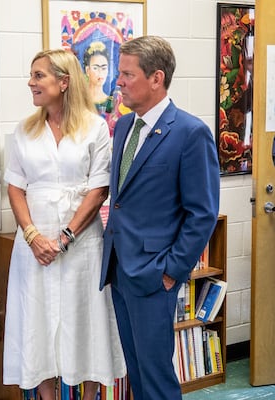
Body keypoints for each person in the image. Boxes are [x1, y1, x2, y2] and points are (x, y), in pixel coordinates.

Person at [100, 36, 220, 400]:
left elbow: (202, 213)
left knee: (156, 376)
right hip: (119, 267)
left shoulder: (189, 132)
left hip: (154, 274)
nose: (118, 82)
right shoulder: (123, 127)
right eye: (119, 73)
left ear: (156, 78)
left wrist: (172, 271)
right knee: (136, 369)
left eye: (127, 74)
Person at [3, 49, 126, 400]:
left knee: (85, 319)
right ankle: (47, 396)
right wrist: (32, 235)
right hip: (34, 244)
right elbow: (15, 187)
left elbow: (99, 188)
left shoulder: (95, 128)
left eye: (38, 75)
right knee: (37, 320)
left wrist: (66, 236)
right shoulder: (25, 130)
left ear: (64, 81)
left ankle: (89, 397)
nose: (31, 82)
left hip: (82, 242)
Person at [82, 41, 129, 136]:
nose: (100, 72)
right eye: (95, 68)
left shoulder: (116, 101)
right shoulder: (78, 101)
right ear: (87, 70)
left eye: (104, 68)